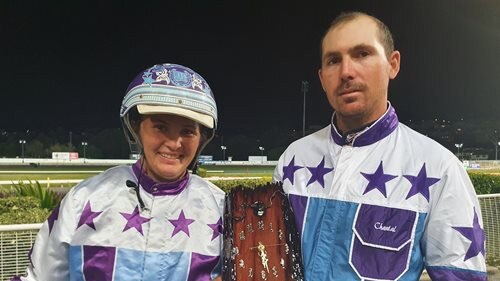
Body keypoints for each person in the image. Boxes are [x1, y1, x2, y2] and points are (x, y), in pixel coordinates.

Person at [273, 11, 487, 281]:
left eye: (362, 54)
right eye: (333, 60)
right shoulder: (293, 159)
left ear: (392, 64)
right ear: (322, 78)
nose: (346, 72)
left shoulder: (439, 169)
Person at [13, 63, 225, 281]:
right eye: (160, 127)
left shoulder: (222, 209)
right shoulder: (84, 199)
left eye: (188, 131)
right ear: (135, 126)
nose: (174, 143)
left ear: (202, 139)